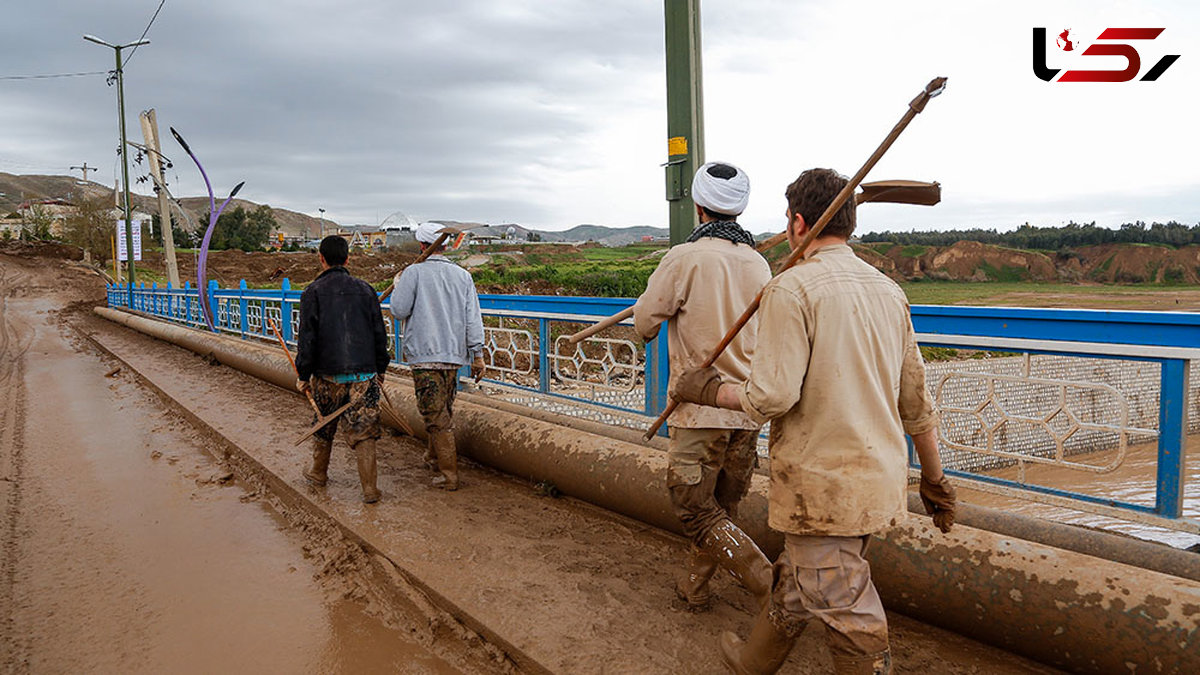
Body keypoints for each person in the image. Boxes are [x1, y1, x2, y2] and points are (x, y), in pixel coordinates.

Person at [672, 168, 958, 674]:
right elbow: (915, 402)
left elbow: (770, 398)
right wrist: (935, 480)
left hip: (822, 487)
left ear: (799, 222)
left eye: (788, 219)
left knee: (849, 608)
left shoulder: (791, 289)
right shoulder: (888, 291)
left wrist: (709, 389)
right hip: (877, 480)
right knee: (804, 581)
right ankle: (752, 663)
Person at [632, 162, 774, 611]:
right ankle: (695, 588)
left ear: (698, 206)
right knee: (721, 508)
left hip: (699, 410)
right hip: (746, 410)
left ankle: (761, 575)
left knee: (693, 505)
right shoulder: (758, 263)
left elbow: (644, 324)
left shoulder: (683, 258)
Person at [389, 222, 485, 491]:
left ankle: (449, 474)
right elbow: (472, 318)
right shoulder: (463, 276)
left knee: (434, 415)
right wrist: (477, 354)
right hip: (454, 355)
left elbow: (398, 310)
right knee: (443, 409)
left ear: (422, 245)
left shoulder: (413, 273)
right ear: (445, 245)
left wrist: (399, 284)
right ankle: (432, 457)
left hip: (424, 356)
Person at [296, 235, 391, 504]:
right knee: (366, 430)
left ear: (321, 258)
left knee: (324, 424)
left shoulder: (312, 292)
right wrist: (380, 368)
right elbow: (379, 334)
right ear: (348, 259)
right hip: (364, 376)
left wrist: (303, 375)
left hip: (327, 376)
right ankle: (370, 489)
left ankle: (318, 473)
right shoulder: (366, 290)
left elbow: (307, 340)